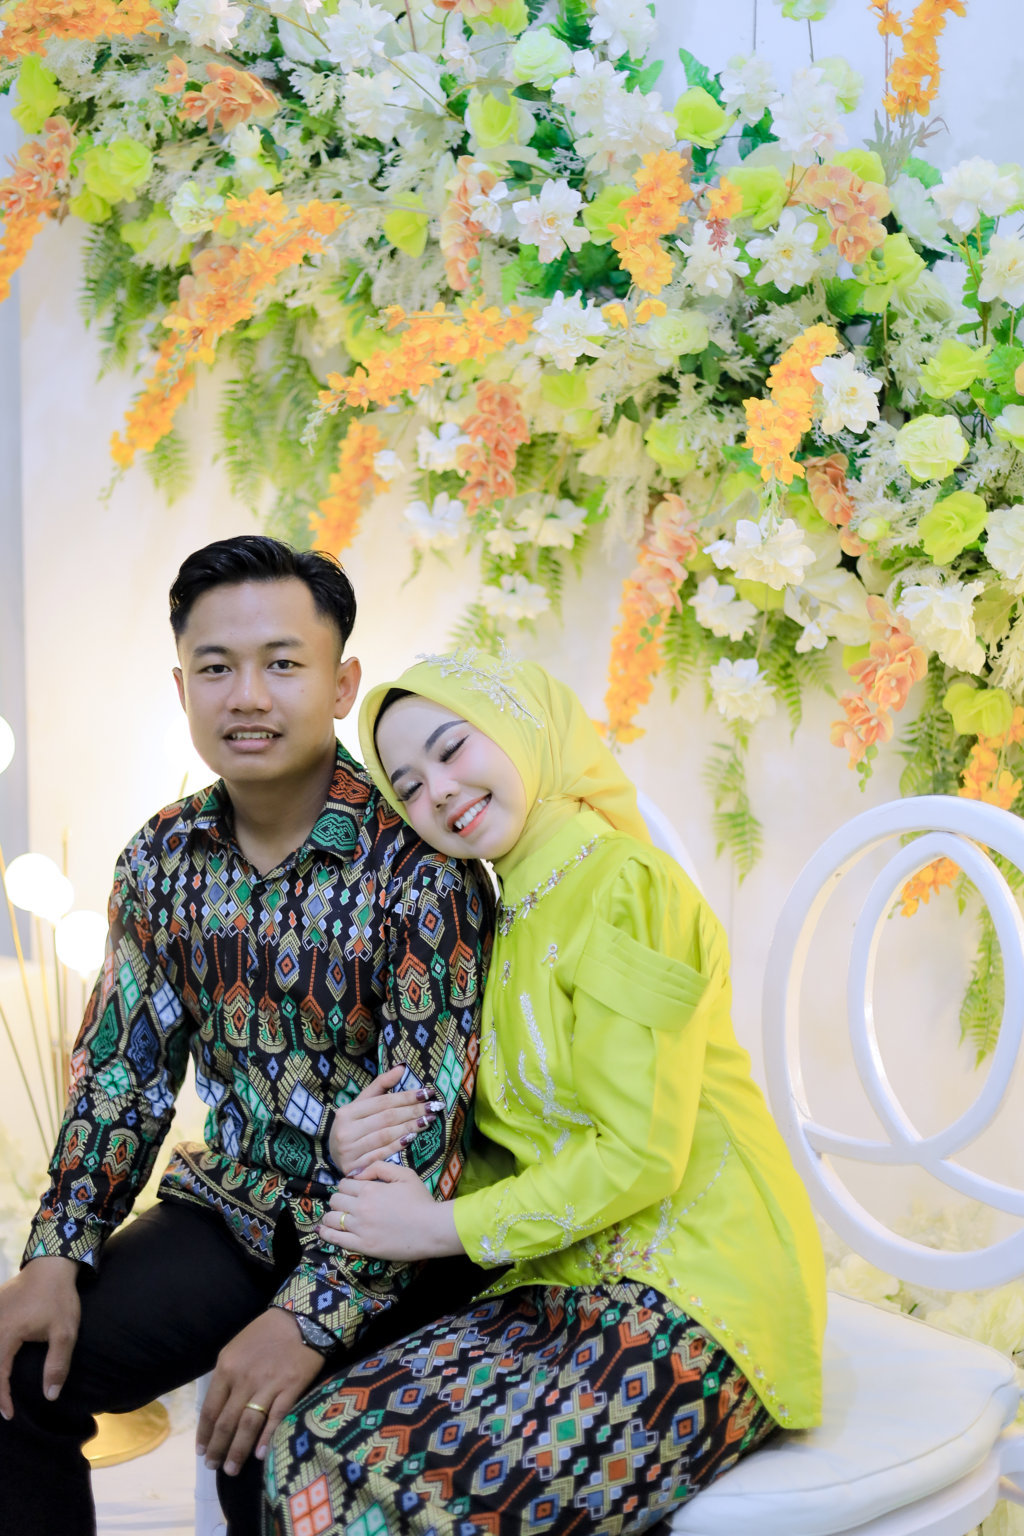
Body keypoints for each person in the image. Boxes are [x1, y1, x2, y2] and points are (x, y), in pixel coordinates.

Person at [264, 648, 825, 1536]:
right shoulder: (503, 920)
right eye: (408, 788)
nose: (439, 792)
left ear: (522, 727)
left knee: (422, 1508)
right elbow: (524, 1140)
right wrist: (358, 1138)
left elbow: (640, 1154)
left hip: (698, 1292)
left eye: (452, 748)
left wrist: (435, 1228)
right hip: (559, 1280)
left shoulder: (625, 885)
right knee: (313, 1443)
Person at [0, 537, 491, 1536]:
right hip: (236, 1213)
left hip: (392, 1245)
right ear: (182, 687)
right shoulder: (162, 858)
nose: (248, 696)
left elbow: (423, 1146)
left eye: (283, 663)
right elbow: (123, 1076)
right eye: (217, 668)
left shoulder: (421, 870)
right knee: (13, 1377)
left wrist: (303, 1321)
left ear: (342, 683)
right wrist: (56, 1249)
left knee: (264, 1449)